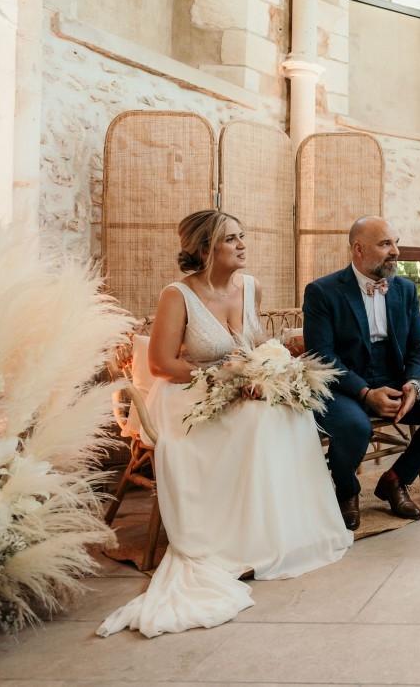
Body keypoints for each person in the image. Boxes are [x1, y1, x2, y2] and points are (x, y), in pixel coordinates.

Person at [99, 210, 352, 638]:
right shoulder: (177, 295)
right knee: (256, 421)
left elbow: (253, 346)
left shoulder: (250, 287)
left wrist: (263, 372)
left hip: (241, 385)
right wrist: (223, 378)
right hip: (188, 393)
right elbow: (162, 364)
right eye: (231, 239)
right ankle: (239, 541)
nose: (242, 244)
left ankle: (279, 533)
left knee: (288, 410)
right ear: (204, 249)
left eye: (242, 236)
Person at [303, 216, 420, 529]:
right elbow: (320, 356)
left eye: (396, 242)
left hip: (395, 380)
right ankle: (347, 490)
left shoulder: (405, 289)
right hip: (344, 386)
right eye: (385, 244)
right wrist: (365, 393)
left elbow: (419, 345)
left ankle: (395, 480)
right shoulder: (322, 292)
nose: (395, 251)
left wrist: (414, 386)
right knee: (355, 427)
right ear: (358, 250)